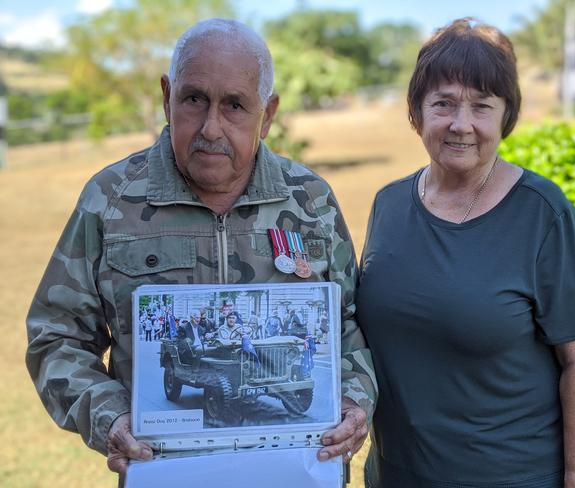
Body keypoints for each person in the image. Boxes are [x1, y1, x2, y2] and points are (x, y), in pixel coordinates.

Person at [25, 18, 375, 481]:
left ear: (267, 115)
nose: (211, 127)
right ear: (167, 98)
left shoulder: (310, 201)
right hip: (167, 471)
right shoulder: (110, 201)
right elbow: (57, 336)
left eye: (234, 105)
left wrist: (353, 399)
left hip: (296, 470)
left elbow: (349, 324)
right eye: (194, 99)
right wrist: (110, 416)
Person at [356, 18, 575, 488]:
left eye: (480, 106)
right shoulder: (389, 204)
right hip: (394, 475)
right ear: (417, 112)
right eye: (444, 103)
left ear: (505, 116)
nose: (461, 124)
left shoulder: (542, 212)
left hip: (511, 476)